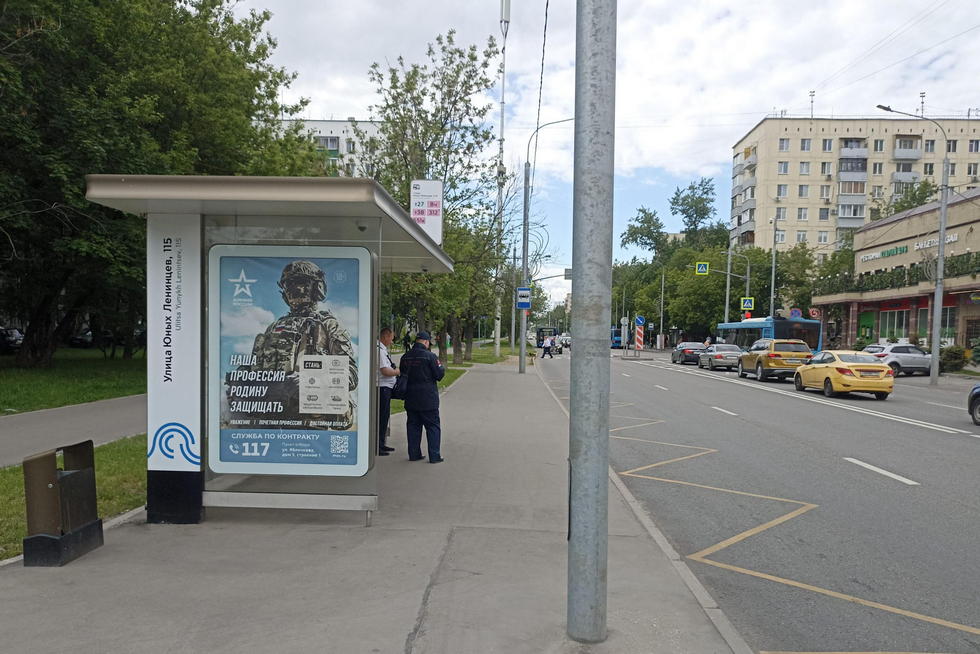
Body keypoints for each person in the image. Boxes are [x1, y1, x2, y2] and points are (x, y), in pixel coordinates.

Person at [228, 260, 356, 429]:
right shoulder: (274, 327)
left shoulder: (328, 325)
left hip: (311, 426)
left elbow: (350, 375)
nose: (293, 289)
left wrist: (307, 382)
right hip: (272, 423)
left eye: (301, 282)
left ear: (316, 288)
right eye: (288, 284)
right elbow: (255, 366)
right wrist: (241, 377)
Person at [399, 331, 446, 463]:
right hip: (428, 398)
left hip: (410, 397)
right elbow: (439, 375)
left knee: (413, 426)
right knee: (432, 426)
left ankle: (414, 454)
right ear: (426, 342)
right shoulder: (430, 356)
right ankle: (434, 456)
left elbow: (402, 374)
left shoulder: (405, 357)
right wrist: (441, 368)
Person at [376, 327, 399, 456]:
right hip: (382, 387)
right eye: (391, 338)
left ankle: (381, 443)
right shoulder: (379, 350)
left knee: (384, 417)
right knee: (381, 417)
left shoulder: (382, 350)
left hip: (385, 387)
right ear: (385, 336)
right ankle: (378, 446)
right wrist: (397, 372)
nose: (392, 341)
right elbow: (385, 370)